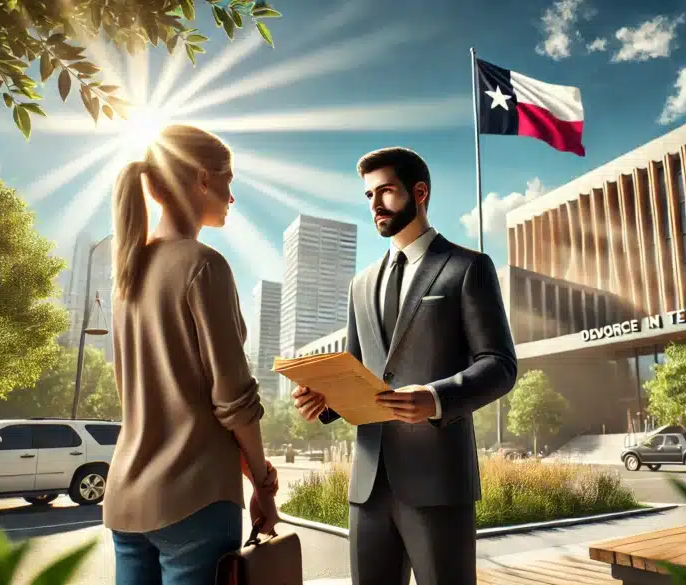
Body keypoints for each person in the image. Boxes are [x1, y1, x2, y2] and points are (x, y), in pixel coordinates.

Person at [291, 147, 518, 585]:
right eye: (369, 195)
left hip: (438, 484)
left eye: (387, 191)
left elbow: (500, 365)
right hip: (368, 487)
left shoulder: (468, 267)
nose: (375, 204)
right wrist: (325, 401)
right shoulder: (360, 285)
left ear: (419, 192)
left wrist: (435, 398)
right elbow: (358, 371)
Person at [103, 124, 280, 585]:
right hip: (195, 501)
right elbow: (233, 399)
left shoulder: (127, 272)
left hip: (126, 495)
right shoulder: (204, 265)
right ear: (203, 179)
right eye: (229, 181)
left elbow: (169, 396)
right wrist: (261, 482)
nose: (231, 197)